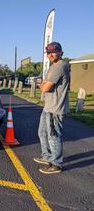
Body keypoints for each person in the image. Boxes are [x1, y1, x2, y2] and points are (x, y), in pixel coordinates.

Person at [34, 42, 70, 174]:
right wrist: (42, 84)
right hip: (48, 107)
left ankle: (56, 164)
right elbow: (45, 84)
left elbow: (45, 87)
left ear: (60, 52)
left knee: (53, 136)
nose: (50, 55)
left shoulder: (60, 66)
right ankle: (46, 156)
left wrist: (40, 85)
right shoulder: (53, 66)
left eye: (53, 52)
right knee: (42, 133)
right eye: (48, 52)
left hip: (55, 108)